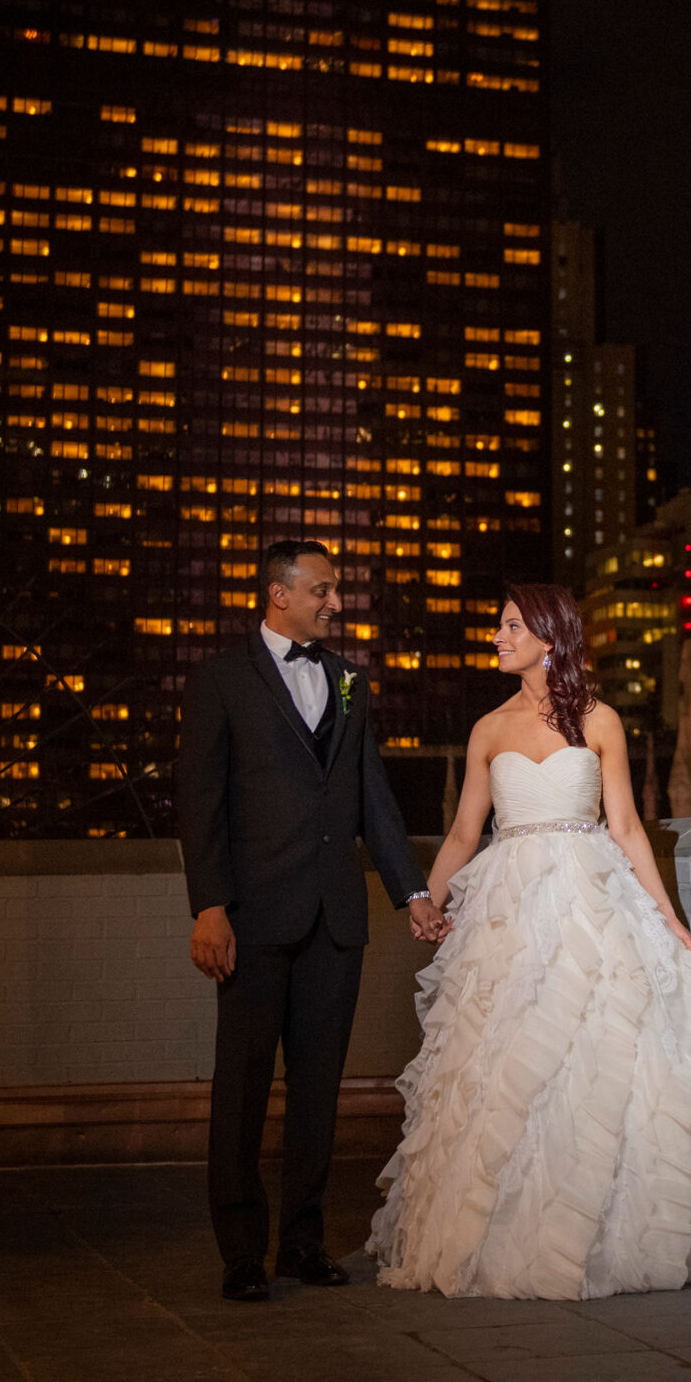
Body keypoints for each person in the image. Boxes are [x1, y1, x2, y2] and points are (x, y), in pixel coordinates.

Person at [367, 582, 691, 1298]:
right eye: (500, 626)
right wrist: (426, 898)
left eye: (511, 626)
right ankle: (507, 1233)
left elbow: (626, 827)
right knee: (509, 1062)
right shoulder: (488, 728)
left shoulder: (601, 720)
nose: (498, 636)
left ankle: (602, 1229)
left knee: (599, 1053)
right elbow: (464, 832)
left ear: (549, 636)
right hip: (510, 910)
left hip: (591, 898)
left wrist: (668, 916)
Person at [176, 539, 441, 1303]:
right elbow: (200, 800)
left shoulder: (351, 682)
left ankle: (301, 1241)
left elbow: (372, 795)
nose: (335, 602)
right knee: (242, 1085)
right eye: (323, 589)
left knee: (318, 1087)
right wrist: (209, 904)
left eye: (336, 589)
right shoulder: (221, 679)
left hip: (335, 916)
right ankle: (240, 1251)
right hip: (252, 915)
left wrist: (412, 891)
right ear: (279, 593)